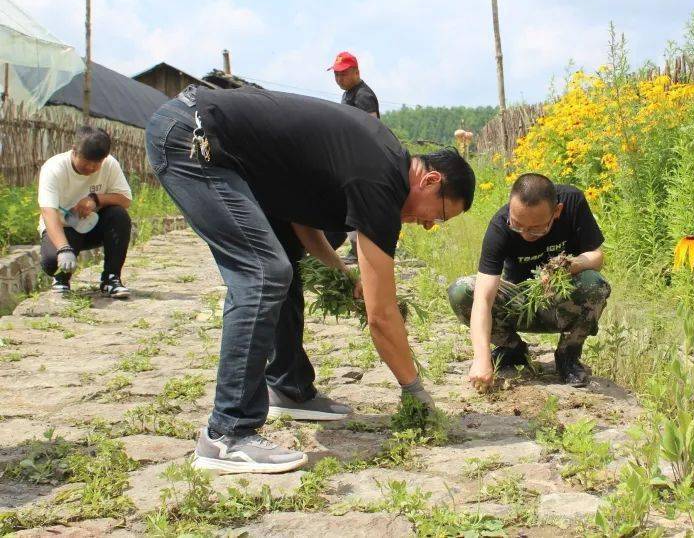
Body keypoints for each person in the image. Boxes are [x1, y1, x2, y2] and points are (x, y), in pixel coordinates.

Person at [145, 85, 475, 474]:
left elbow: (301, 219)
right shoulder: (381, 176)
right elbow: (382, 314)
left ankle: (289, 387)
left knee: (282, 258)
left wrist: (342, 271)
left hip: (208, 137)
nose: (427, 225)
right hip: (194, 138)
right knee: (263, 271)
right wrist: (414, 391)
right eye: (437, 216)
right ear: (431, 180)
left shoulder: (376, 162)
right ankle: (227, 433)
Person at [448, 173, 610, 390]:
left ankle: (567, 357)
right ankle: (512, 349)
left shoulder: (573, 202)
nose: (525, 234)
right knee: (462, 291)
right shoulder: (499, 226)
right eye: (518, 225)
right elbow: (483, 299)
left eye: (536, 229)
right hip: (520, 304)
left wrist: (570, 265)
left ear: (557, 212)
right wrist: (481, 359)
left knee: (594, 283)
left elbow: (596, 256)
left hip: (560, 303)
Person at [38, 126, 133, 298]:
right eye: (86, 161)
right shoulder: (53, 168)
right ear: (74, 151)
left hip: (93, 226)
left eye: (97, 163)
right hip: (64, 229)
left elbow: (125, 200)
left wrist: (95, 199)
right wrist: (63, 248)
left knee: (119, 215)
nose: (91, 167)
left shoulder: (110, 164)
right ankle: (61, 278)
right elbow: (48, 211)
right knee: (51, 262)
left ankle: (111, 279)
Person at [326, 50, 380, 263]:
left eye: (343, 74)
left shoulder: (363, 96)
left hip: (361, 160)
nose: (339, 79)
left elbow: (372, 129)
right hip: (349, 158)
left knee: (356, 206)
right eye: (336, 75)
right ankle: (350, 246)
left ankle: (359, 249)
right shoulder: (348, 93)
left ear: (356, 72)